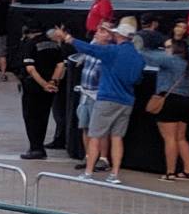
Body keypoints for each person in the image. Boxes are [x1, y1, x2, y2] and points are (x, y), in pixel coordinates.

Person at [51, 16, 147, 185]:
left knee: (94, 136)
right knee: (117, 138)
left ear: (120, 36)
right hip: (126, 100)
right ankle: (114, 174)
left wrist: (67, 38)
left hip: (107, 98)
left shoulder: (112, 51)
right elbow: (137, 79)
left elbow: (89, 49)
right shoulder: (138, 57)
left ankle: (88, 173)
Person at [149, 33, 189, 181]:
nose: (165, 49)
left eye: (168, 47)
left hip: (170, 101)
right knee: (181, 138)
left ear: (175, 49)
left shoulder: (170, 61)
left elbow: (149, 58)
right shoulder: (188, 63)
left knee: (169, 138)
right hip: (185, 101)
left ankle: (170, 172)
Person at [17, 30, 67, 160]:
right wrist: (53, 82)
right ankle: (40, 146)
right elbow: (61, 65)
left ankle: (35, 148)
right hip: (50, 88)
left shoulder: (30, 44)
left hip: (33, 86)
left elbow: (30, 68)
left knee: (31, 117)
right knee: (43, 116)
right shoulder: (55, 45)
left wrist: (43, 84)